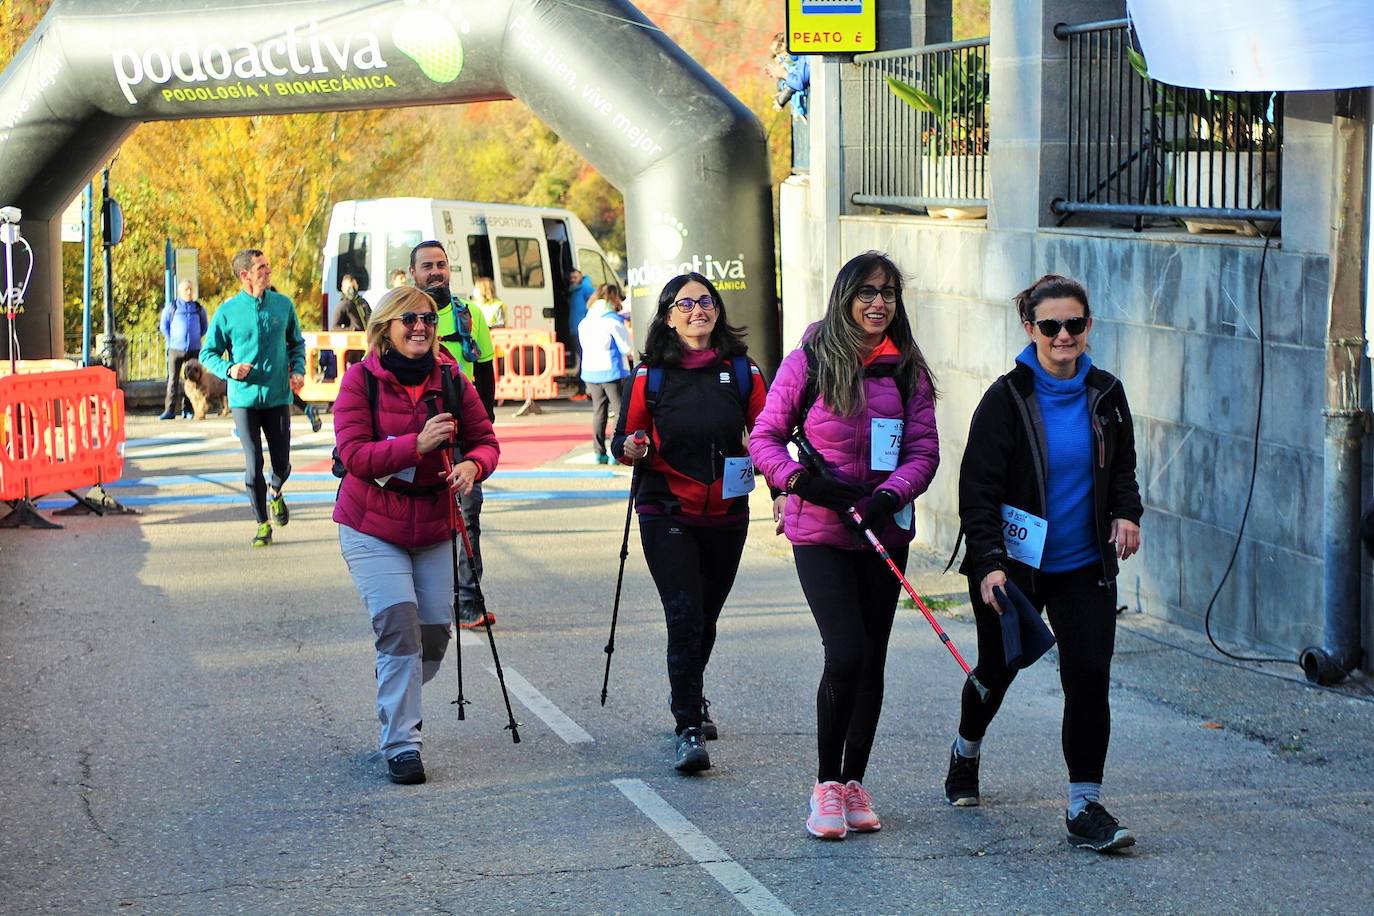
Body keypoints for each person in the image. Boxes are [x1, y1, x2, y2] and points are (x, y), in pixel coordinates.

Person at [943, 273, 1142, 853]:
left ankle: (1084, 805)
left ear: (1088, 326)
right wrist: (989, 563)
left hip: (1084, 565)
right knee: (997, 668)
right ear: (1029, 328)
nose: (1063, 335)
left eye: (1073, 324)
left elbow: (1122, 466)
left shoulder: (1106, 393)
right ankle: (966, 750)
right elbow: (977, 490)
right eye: (1050, 325)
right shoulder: (1005, 399)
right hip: (1015, 567)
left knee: (1088, 676)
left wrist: (1126, 513)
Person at [750, 250, 939, 840]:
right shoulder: (810, 358)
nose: (878, 303)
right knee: (847, 652)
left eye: (888, 293)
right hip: (821, 532)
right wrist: (805, 484)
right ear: (845, 297)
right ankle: (825, 786)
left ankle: (855, 782)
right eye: (867, 292)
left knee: (873, 658)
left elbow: (924, 451)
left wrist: (889, 495)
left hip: (882, 530)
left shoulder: (908, 369)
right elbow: (765, 438)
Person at [333, 286, 500, 785]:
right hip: (371, 523)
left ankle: (396, 676)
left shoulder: (450, 378)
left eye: (428, 318)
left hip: (431, 523)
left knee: (432, 635)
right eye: (409, 319)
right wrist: (416, 444)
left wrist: (473, 465)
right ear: (386, 328)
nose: (421, 326)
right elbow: (354, 455)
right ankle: (403, 744)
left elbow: (486, 441)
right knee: (399, 626)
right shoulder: (360, 381)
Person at [611, 273, 767, 774]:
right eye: (685, 304)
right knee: (684, 616)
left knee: (706, 617)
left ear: (717, 310)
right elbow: (622, 442)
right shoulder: (650, 375)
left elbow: (769, 435)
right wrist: (631, 447)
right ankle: (688, 727)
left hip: (727, 512)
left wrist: (782, 485)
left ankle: (691, 695)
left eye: (706, 301)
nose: (698, 310)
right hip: (667, 509)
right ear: (668, 316)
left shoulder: (743, 371)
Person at [409, 240, 498, 629]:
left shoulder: (470, 315)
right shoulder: (402, 316)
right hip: (416, 435)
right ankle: (420, 597)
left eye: (441, 265)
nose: (435, 272)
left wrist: (484, 430)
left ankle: (468, 600)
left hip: (461, 434)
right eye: (427, 266)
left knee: (468, 514)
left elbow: (486, 373)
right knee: (419, 515)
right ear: (413, 273)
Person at [199, 249, 306, 547]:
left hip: (277, 396)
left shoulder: (282, 305)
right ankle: (262, 524)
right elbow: (207, 353)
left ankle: (276, 492)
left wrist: (298, 369)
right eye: (262, 267)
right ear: (245, 275)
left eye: (268, 266)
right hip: (243, 399)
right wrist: (229, 369)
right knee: (253, 461)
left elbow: (296, 343)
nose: (268, 271)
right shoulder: (228, 312)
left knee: (282, 463)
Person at [578, 283, 632, 464]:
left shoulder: (585, 321)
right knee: (620, 412)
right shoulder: (613, 321)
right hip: (612, 371)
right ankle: (617, 452)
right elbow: (626, 347)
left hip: (590, 371)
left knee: (599, 412)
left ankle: (599, 453)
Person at [159, 279, 208, 420]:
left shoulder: (198, 308)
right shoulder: (172, 307)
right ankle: (169, 410)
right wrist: (171, 340)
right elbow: (164, 326)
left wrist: (196, 338)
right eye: (186, 289)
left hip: (194, 349)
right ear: (180, 291)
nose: (189, 292)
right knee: (172, 379)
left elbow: (204, 327)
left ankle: (188, 410)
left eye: (191, 289)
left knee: (193, 381)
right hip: (176, 349)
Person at [568, 268, 595, 397]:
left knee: (583, 359)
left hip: (582, 330)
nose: (573, 280)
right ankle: (584, 389)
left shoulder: (585, 288)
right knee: (581, 358)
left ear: (581, 277)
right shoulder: (574, 290)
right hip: (575, 329)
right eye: (571, 278)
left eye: (575, 277)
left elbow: (595, 299)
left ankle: (584, 389)